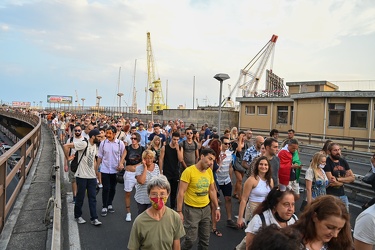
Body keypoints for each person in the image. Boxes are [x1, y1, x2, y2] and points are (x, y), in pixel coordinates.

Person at [177, 148, 221, 250]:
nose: (211, 163)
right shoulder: (189, 171)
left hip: (206, 209)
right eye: (209, 159)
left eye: (213, 160)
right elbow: (181, 192)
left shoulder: (209, 172)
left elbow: (212, 191)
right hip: (192, 210)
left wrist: (217, 208)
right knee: (190, 240)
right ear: (201, 157)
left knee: (205, 240)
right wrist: (179, 211)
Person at [128, 175, 185, 250]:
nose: (158, 198)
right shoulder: (140, 221)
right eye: (154, 194)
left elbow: (176, 246)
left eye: (162, 194)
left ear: (168, 194)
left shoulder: (174, 217)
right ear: (149, 195)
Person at [63, 129, 102, 226]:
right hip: (82, 175)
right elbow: (66, 146)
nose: (100, 138)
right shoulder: (84, 144)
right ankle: (77, 216)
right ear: (93, 136)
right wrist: (67, 158)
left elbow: (93, 159)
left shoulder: (95, 146)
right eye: (99, 136)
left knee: (92, 198)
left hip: (91, 176)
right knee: (80, 197)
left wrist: (96, 174)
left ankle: (94, 218)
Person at [97, 126, 126, 217]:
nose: (108, 135)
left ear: (114, 134)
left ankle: (110, 204)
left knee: (113, 188)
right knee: (106, 188)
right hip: (105, 169)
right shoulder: (103, 143)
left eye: (110, 133)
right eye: (107, 133)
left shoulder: (120, 144)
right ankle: (104, 206)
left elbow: (123, 156)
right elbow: (100, 156)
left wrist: (121, 165)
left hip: (115, 170)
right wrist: (97, 169)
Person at [238, 156, 273, 228]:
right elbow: (244, 199)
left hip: (266, 210)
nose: (263, 166)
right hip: (253, 209)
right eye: (261, 164)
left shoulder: (270, 180)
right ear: (257, 166)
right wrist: (240, 218)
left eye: (266, 165)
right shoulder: (251, 180)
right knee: (252, 234)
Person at [323, 143, 355, 212]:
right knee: (332, 216)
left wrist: (338, 179)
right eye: (335, 150)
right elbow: (331, 182)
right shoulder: (327, 162)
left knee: (346, 216)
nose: (338, 152)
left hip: (342, 194)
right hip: (331, 195)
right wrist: (345, 180)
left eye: (339, 150)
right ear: (329, 152)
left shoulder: (343, 161)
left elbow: (352, 178)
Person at [215, 137, 237, 229]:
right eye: (225, 143)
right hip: (216, 180)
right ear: (221, 144)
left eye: (229, 144)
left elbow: (230, 167)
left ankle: (229, 219)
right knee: (214, 201)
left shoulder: (230, 154)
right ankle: (212, 222)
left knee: (228, 199)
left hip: (226, 180)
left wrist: (230, 179)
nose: (227, 145)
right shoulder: (216, 154)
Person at [159, 131, 183, 209]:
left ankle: (172, 207)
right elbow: (161, 159)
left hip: (175, 172)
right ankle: (163, 206)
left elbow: (180, 159)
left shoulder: (180, 148)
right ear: (171, 138)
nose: (175, 141)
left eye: (177, 140)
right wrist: (160, 171)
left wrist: (177, 150)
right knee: (164, 190)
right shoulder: (164, 147)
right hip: (166, 172)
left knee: (174, 192)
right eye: (174, 139)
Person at [123, 132, 145, 221]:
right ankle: (128, 212)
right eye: (131, 138)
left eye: (135, 138)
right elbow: (122, 159)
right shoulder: (127, 148)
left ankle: (141, 213)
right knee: (128, 193)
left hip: (139, 173)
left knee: (141, 193)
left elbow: (144, 161)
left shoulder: (142, 149)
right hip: (129, 174)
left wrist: (135, 166)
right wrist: (121, 165)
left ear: (138, 140)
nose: (133, 140)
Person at [134, 150, 161, 215]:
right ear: (143, 159)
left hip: (153, 197)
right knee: (142, 217)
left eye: (151, 158)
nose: (149, 160)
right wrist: (145, 168)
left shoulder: (156, 167)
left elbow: (159, 181)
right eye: (147, 158)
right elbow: (141, 181)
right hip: (142, 198)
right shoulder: (139, 168)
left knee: (152, 217)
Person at [64, 124, 84, 204]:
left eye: (79, 130)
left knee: (81, 181)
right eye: (75, 130)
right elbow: (66, 153)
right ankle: (75, 196)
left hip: (82, 164)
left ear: (81, 131)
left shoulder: (84, 140)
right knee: (73, 181)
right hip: (73, 164)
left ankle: (79, 195)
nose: (77, 132)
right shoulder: (70, 140)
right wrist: (65, 164)